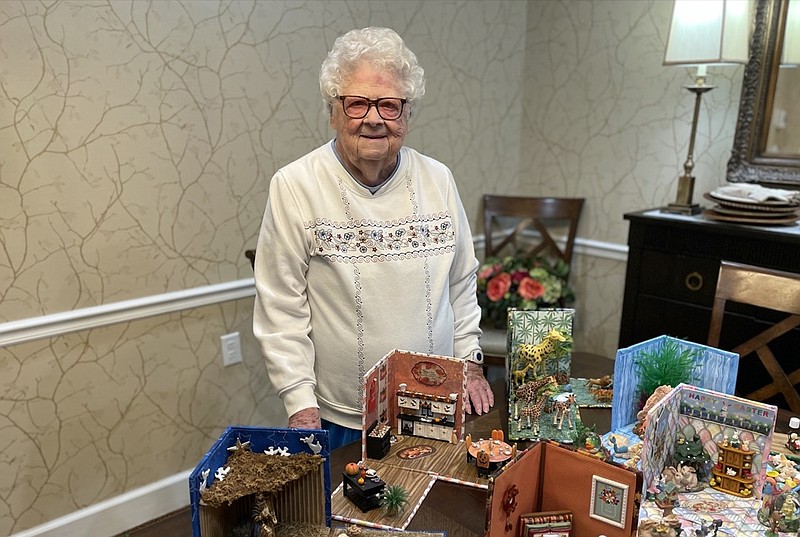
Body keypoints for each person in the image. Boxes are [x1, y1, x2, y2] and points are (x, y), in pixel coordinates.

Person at [253, 26, 493, 449]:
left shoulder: (438, 180)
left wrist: (471, 363)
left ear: (407, 114)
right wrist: (301, 407)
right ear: (333, 112)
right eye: (358, 103)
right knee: (352, 512)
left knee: (434, 511)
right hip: (342, 416)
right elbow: (280, 309)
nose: (374, 118)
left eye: (389, 105)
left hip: (435, 401)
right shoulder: (294, 185)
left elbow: (460, 283)